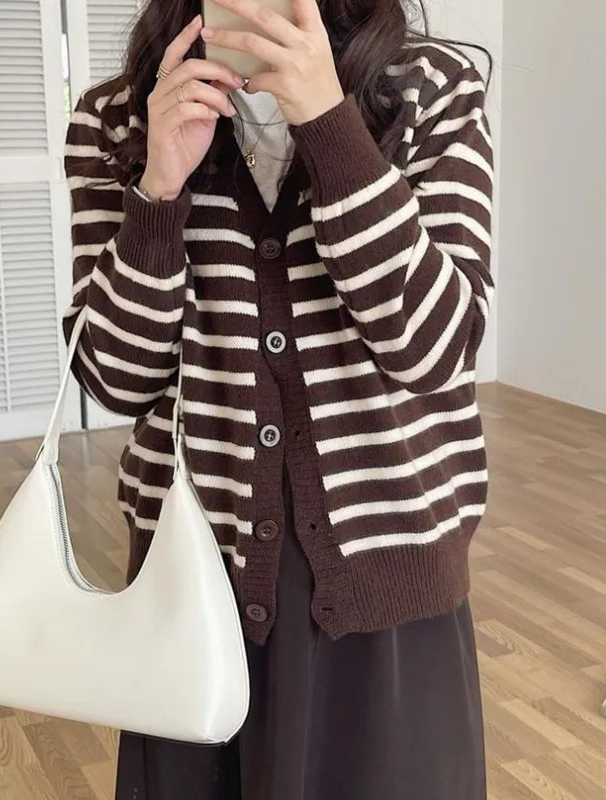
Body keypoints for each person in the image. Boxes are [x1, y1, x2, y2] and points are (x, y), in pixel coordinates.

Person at [63, 0, 493, 797]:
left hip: (388, 579)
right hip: (194, 581)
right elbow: (116, 378)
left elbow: (435, 349)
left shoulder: (430, 89)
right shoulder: (119, 118)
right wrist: (158, 191)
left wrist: (329, 126)